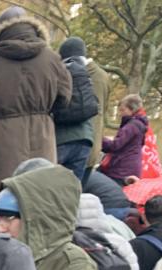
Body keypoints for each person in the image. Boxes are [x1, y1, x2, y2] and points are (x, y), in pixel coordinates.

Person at [0, 6, 72, 208]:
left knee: (0, 217)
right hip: (42, 148)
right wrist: (43, 112)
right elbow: (64, 98)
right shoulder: (52, 59)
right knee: (37, 214)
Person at [54, 37, 99, 181]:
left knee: (50, 186)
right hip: (85, 139)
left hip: (61, 138)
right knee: (72, 190)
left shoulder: (59, 70)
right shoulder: (93, 74)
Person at [101, 95, 149, 186]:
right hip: (129, 168)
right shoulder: (139, 124)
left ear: (132, 109)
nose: (120, 113)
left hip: (121, 170)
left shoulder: (132, 125)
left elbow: (115, 145)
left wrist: (99, 140)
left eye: (123, 110)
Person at [84, 46, 112, 186]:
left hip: (79, 141)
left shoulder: (70, 72)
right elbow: (104, 109)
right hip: (93, 143)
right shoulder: (103, 77)